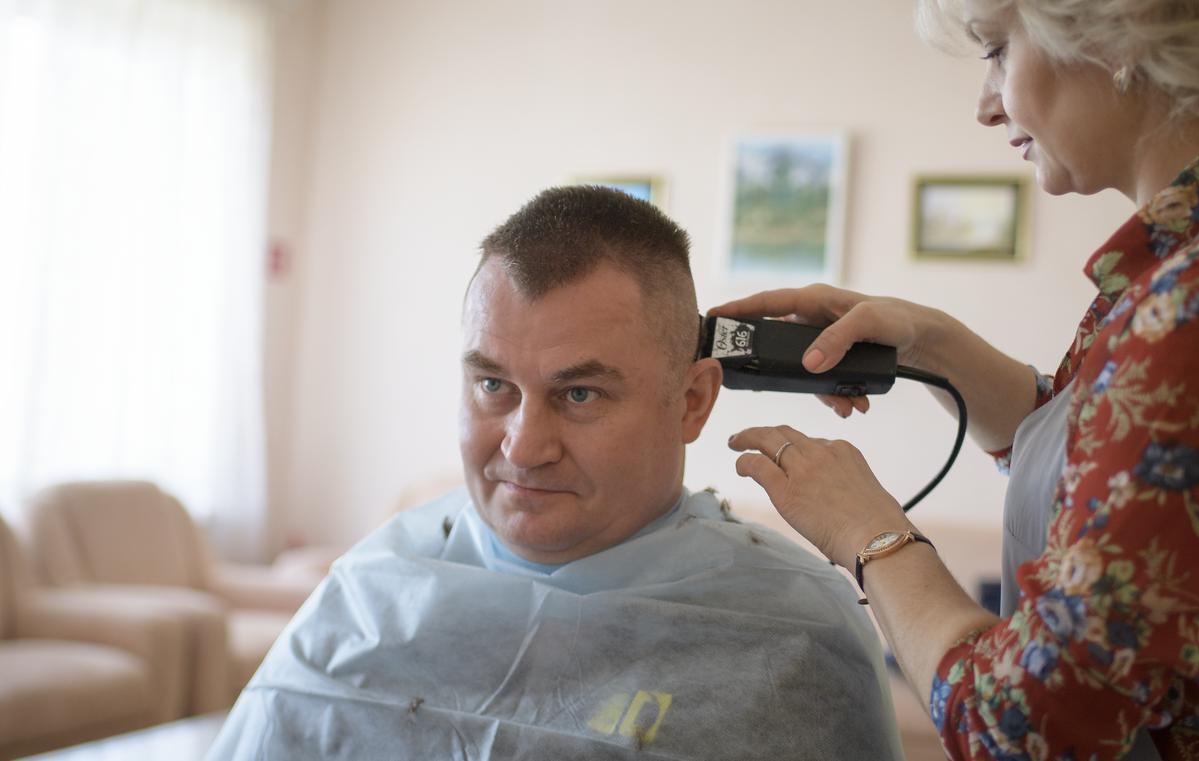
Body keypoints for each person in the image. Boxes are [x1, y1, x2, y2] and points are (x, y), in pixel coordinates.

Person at [715, 1, 1199, 759]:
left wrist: (870, 534)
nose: (986, 104)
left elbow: (1022, 728)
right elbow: (1129, 484)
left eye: (996, 52)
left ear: (1121, 32)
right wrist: (932, 342)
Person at [206, 186, 905, 760]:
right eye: (492, 386)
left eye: (579, 394)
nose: (524, 446)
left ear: (691, 401)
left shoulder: (794, 637)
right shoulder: (369, 596)